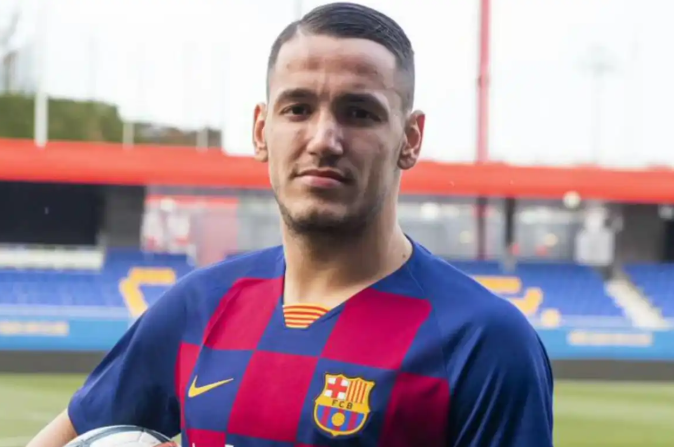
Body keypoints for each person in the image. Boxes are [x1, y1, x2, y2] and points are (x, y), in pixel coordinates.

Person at [28, 3, 554, 446]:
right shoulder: (198, 308)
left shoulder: (483, 343)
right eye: (298, 109)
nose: (324, 139)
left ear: (410, 139)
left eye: (359, 113)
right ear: (262, 130)